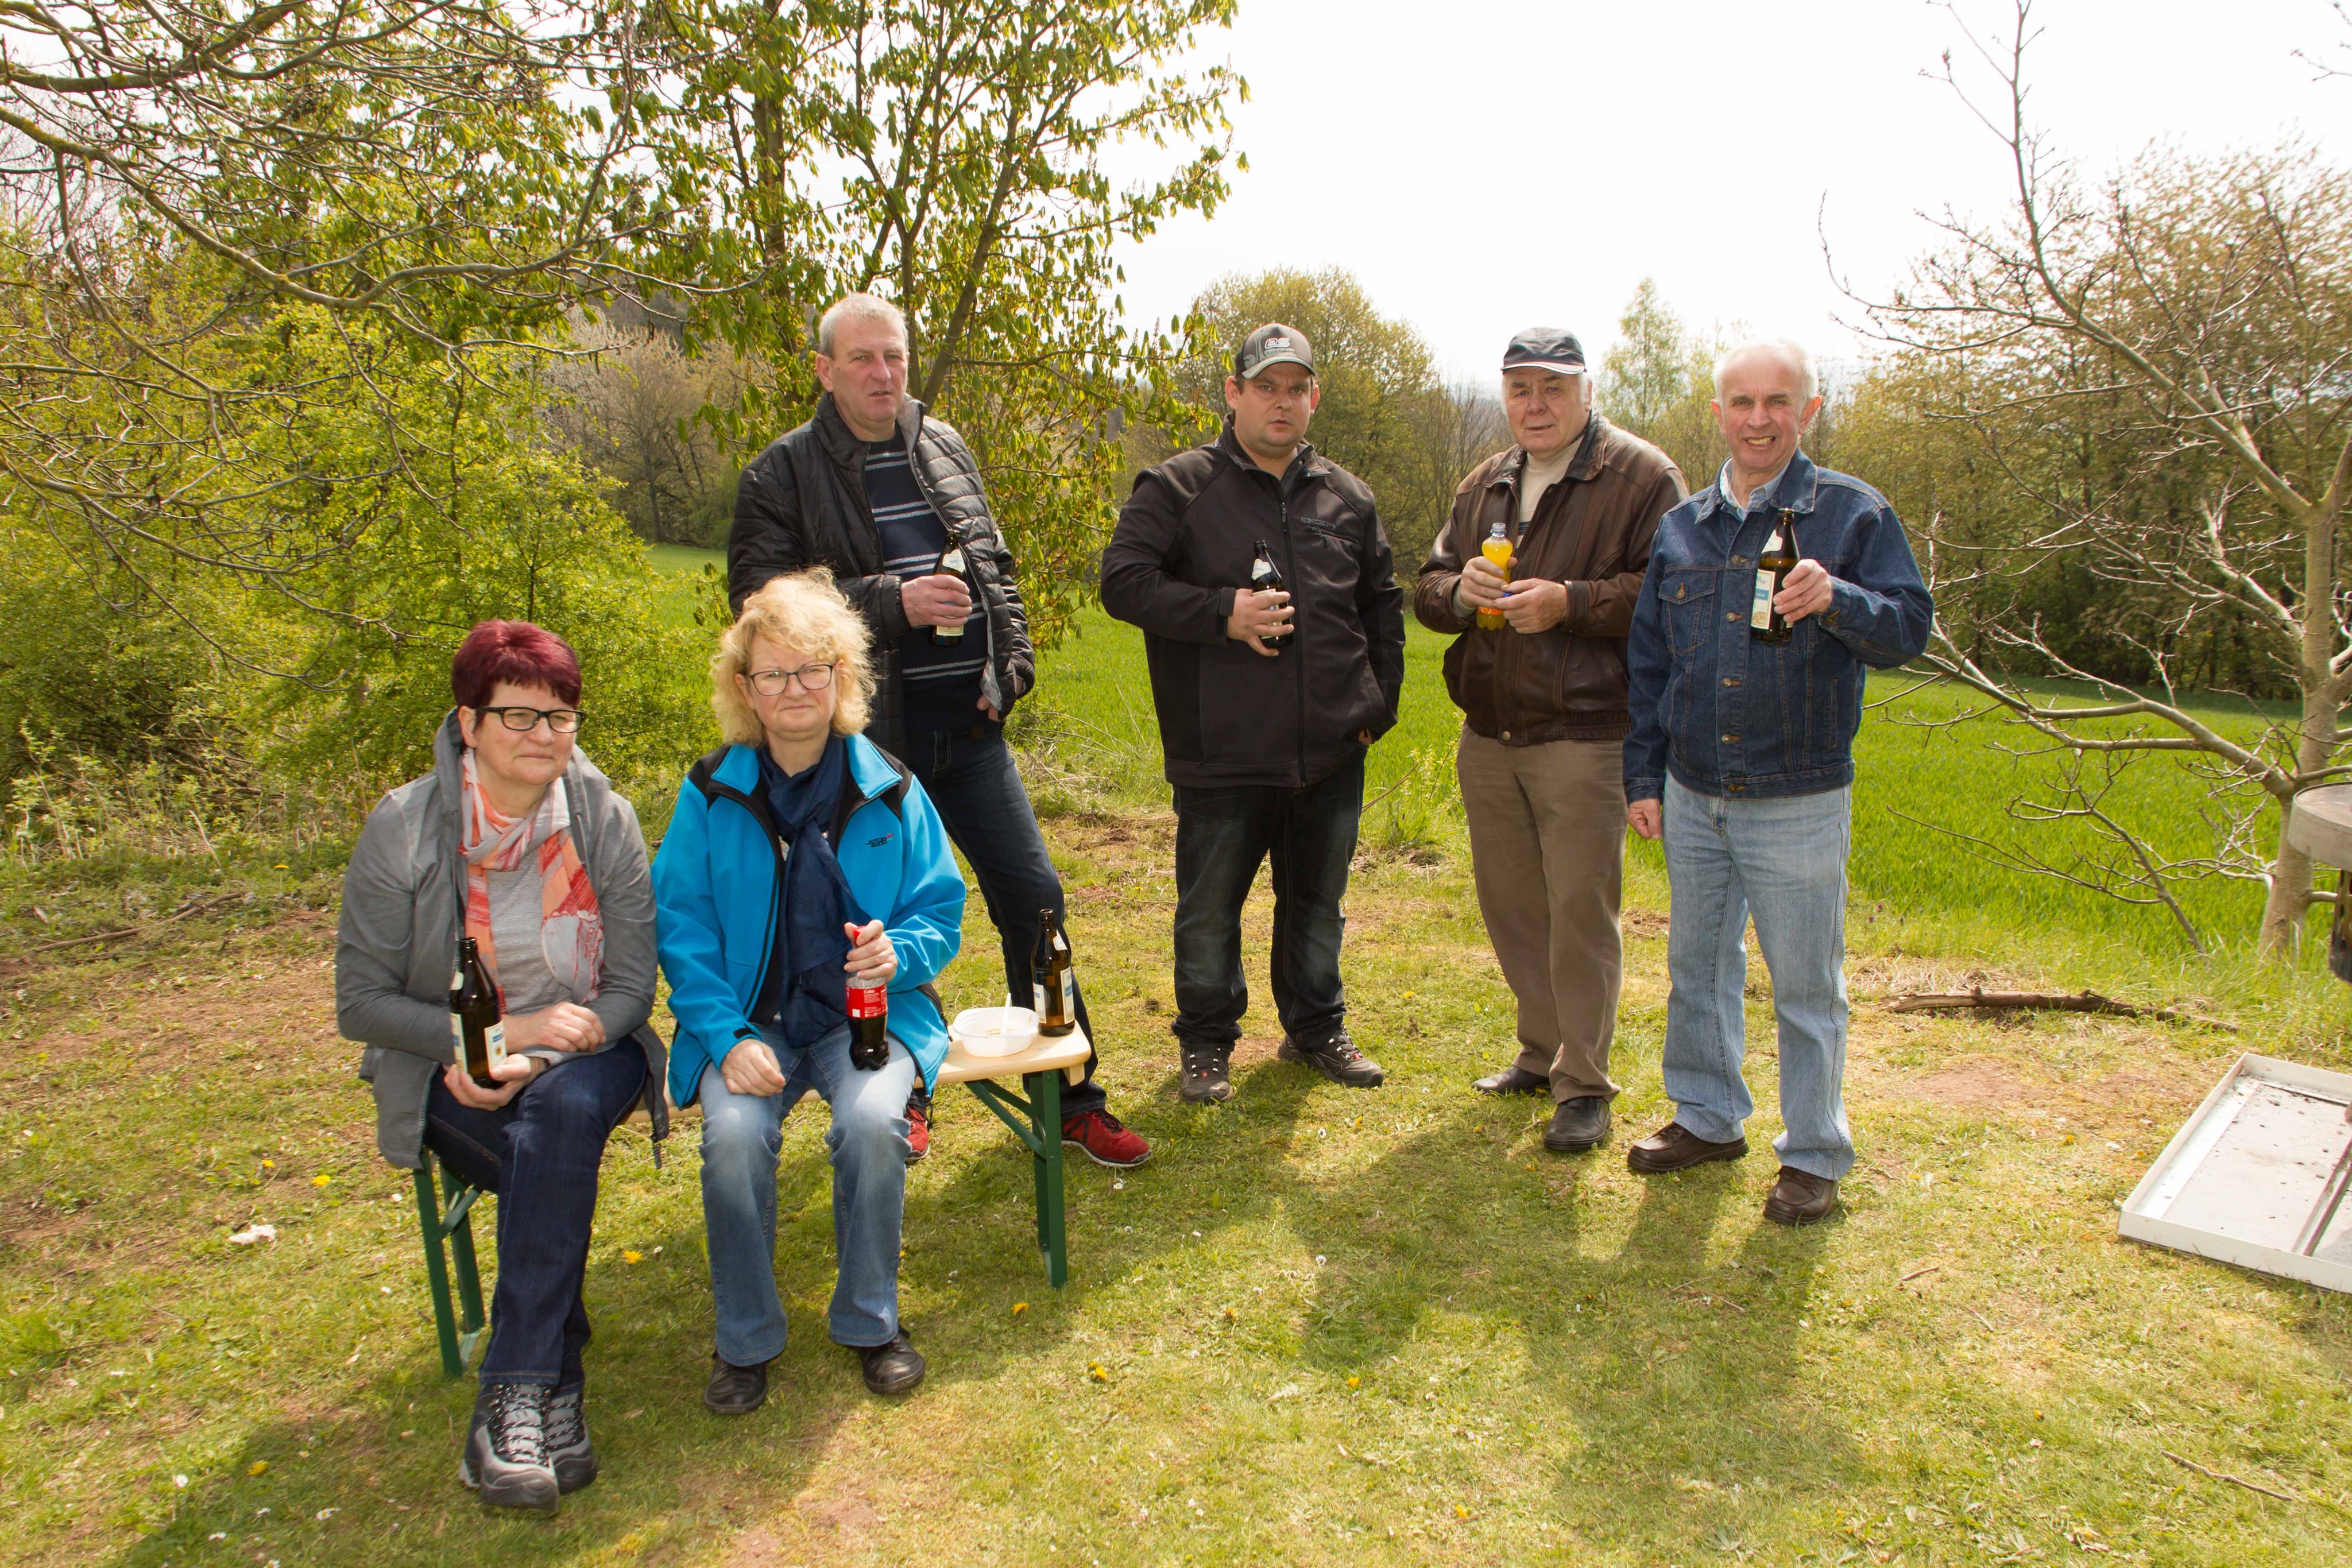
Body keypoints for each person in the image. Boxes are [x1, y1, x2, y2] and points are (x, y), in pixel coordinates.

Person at [727, 291, 1148, 1170]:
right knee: (876, 924)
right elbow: (764, 606)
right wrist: (896, 601)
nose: (883, 374)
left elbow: (996, 570)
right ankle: (901, 1089)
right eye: (862, 359)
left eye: (895, 357)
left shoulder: (944, 446)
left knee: (1035, 900)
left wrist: (1012, 668)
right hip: (866, 754)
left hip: (971, 736)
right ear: (825, 371)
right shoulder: (782, 473)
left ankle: (1070, 1095)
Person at [336, 621, 666, 1514]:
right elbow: (360, 1003)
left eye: (559, 717)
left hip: (589, 1052)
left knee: (557, 1116)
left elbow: (630, 988)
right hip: (447, 1066)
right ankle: (554, 1387)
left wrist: (545, 1049)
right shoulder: (405, 827)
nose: (541, 735)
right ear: (468, 723)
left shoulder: (603, 819)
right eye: (517, 716)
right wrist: (491, 1038)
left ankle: (511, 1394)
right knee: (547, 1154)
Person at [1622, 339, 1933, 1224]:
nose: (1758, 420)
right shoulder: (1683, 528)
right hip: (1694, 791)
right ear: (1718, 413)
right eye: (1742, 402)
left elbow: (1909, 629)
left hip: (1798, 796)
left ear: (1809, 410)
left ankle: (1814, 1154)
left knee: (1805, 985)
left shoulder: (1852, 516)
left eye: (1777, 402)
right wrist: (1644, 776)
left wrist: (1838, 599)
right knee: (1698, 967)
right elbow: (1650, 662)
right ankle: (1707, 1117)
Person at [653, 571, 965, 1412]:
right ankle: (745, 1339)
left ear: (842, 676)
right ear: (744, 688)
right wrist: (725, 1038)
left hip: (868, 1020)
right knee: (732, 1137)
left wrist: (900, 953)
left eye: (811, 670)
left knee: (872, 1125)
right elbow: (682, 929)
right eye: (773, 674)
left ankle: (871, 1322)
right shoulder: (710, 790)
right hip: (748, 1024)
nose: (794, 690)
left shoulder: (892, 786)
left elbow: (942, 910)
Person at [1100, 323, 1406, 1104]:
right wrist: (1221, 613)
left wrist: (1376, 709)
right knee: (1210, 911)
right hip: (1223, 749)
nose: (1282, 402)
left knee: (1318, 907)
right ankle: (1206, 1043)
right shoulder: (1179, 486)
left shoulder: (1348, 497)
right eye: (1265, 386)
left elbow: (1382, 608)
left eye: (1296, 388)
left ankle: (1316, 1029)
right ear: (1234, 393)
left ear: (1314, 398)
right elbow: (1123, 582)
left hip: (1330, 751)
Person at [1415, 328, 1686, 1154]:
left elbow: (1673, 595)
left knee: (1579, 915)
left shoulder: (1642, 477)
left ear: (1587, 392)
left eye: (1553, 388)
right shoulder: (1485, 482)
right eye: (1521, 389)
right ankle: (1540, 1053)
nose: (1536, 405)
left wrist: (1571, 601)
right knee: (1512, 907)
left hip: (1586, 734)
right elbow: (1427, 588)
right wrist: (1458, 593)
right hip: (1490, 732)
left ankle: (1585, 1085)